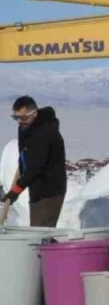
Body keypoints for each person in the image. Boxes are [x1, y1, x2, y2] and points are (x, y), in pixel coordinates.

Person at [2, 96, 67, 227]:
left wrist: (15, 192)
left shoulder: (44, 132)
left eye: (23, 118)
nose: (20, 121)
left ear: (34, 114)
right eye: (16, 118)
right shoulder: (26, 126)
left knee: (40, 234)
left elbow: (34, 168)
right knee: (39, 232)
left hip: (49, 191)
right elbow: (25, 155)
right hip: (36, 188)